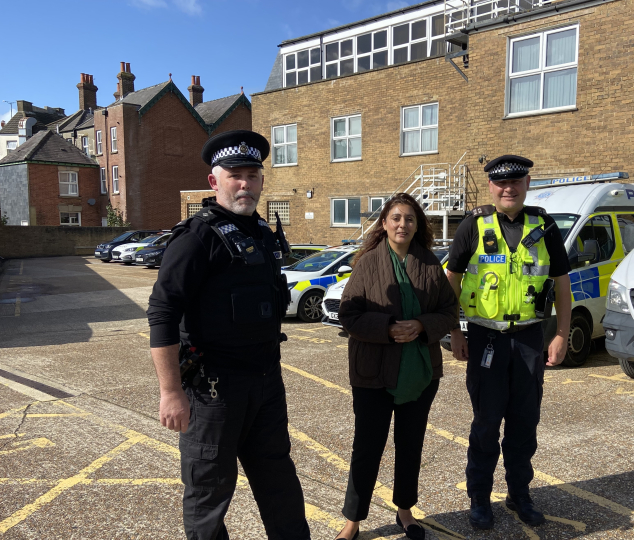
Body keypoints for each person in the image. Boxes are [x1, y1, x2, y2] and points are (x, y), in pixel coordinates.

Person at [147, 130, 310, 540]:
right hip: (212, 392)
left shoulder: (261, 232)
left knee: (279, 482)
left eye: (252, 175)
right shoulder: (197, 237)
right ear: (213, 181)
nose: (245, 183)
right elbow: (163, 313)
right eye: (235, 174)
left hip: (265, 383)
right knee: (208, 495)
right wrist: (170, 391)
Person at [446, 155, 571, 530]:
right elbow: (450, 279)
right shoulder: (474, 225)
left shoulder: (545, 225)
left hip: (531, 339)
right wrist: (453, 331)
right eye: (501, 183)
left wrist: (561, 334)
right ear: (490, 187)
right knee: (485, 425)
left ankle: (519, 495)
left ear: (528, 183)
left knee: (524, 424)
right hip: (486, 339)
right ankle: (480, 499)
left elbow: (562, 286)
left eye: (516, 181)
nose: (508, 188)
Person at [335, 193, 459, 540]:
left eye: (409, 219)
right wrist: (388, 327)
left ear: (418, 225)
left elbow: (450, 311)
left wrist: (420, 325)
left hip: (419, 373)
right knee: (367, 447)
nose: (402, 224)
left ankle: (405, 510)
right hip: (373, 373)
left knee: (410, 445)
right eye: (396, 218)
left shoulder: (431, 264)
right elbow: (349, 315)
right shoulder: (368, 263)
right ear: (385, 224)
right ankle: (353, 521)